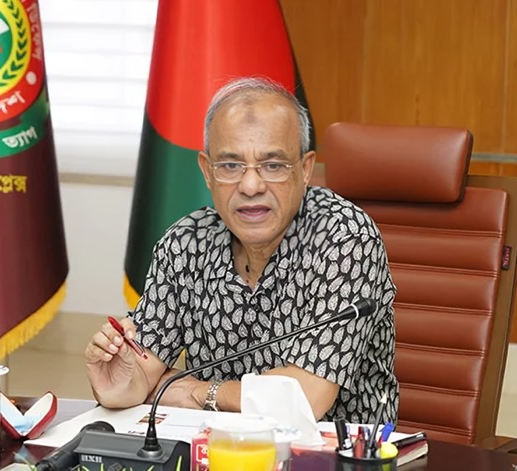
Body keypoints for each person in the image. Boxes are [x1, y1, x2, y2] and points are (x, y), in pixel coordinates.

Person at [85, 77, 398, 423]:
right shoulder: (186, 243)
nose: (250, 185)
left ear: (305, 169)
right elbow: (142, 374)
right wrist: (118, 382)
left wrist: (198, 392)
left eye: (273, 165)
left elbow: (305, 398)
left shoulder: (344, 238)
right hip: (217, 446)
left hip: (333, 449)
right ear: (207, 171)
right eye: (230, 166)